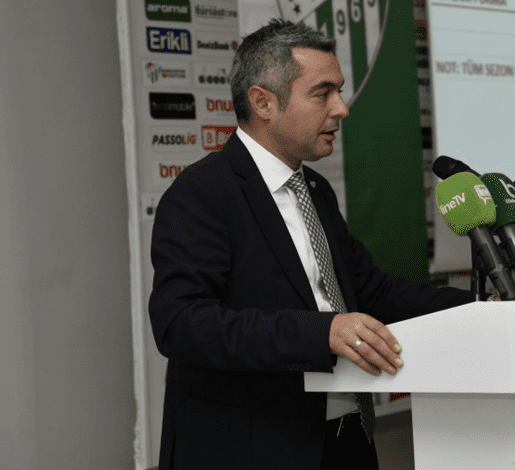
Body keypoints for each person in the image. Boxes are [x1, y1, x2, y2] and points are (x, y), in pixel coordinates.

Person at [149, 19, 474, 470]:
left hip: (345, 439)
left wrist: (484, 306)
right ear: (263, 102)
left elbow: (373, 292)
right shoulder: (202, 192)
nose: (341, 109)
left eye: (339, 91)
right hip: (256, 449)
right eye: (323, 94)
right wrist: (323, 333)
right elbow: (181, 323)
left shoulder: (314, 189)